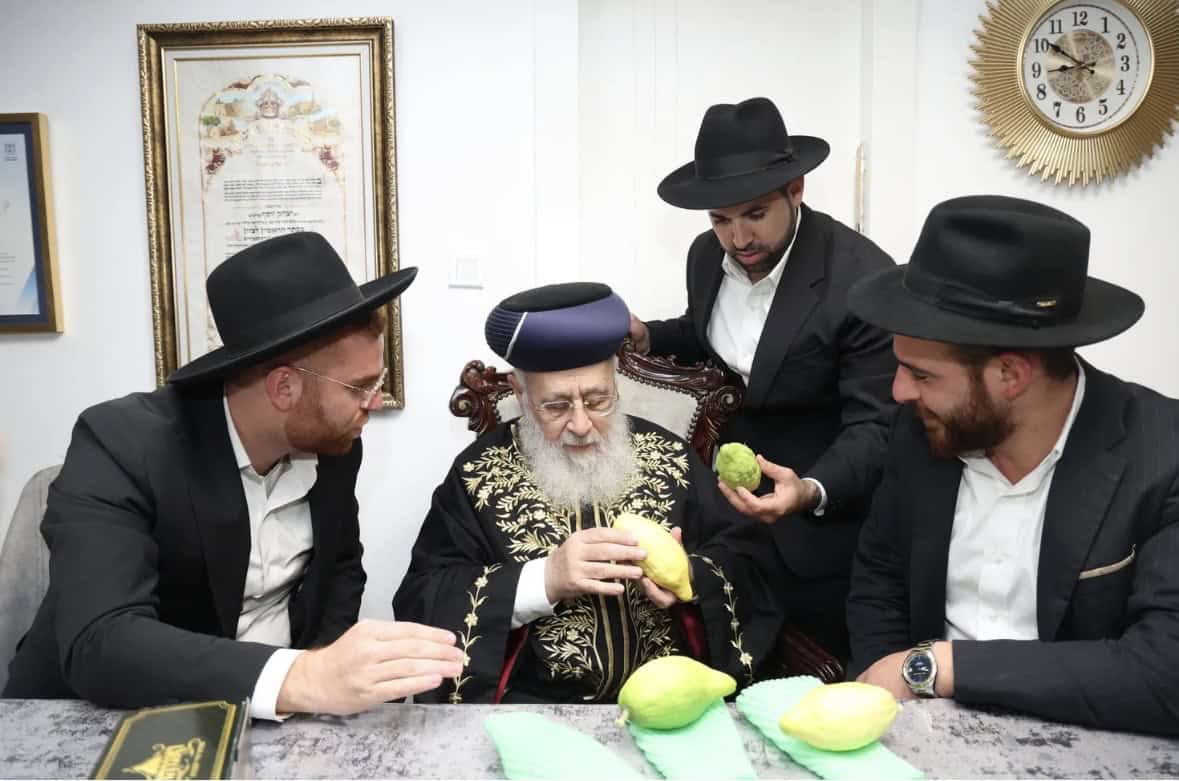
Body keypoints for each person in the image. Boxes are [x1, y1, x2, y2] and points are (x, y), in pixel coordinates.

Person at [5, 232, 465, 718]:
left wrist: (321, 679)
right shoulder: (122, 445)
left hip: (275, 721)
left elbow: (340, 569)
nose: (373, 403)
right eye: (359, 387)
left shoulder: (335, 444)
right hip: (93, 720)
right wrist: (302, 678)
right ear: (283, 388)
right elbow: (102, 643)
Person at [844, 195, 1179, 735]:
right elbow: (879, 582)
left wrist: (936, 667)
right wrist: (892, 722)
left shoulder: (1163, 454)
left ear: (1011, 375)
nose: (899, 391)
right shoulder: (921, 429)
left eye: (922, 375)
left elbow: (1165, 672)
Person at [394, 282, 782, 703]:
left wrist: (690, 575)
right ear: (520, 393)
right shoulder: (477, 475)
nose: (581, 425)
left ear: (616, 382)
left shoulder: (671, 456)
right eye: (556, 406)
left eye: (598, 400)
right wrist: (543, 580)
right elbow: (424, 597)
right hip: (533, 708)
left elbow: (749, 558)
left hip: (671, 701)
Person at [627, 96, 896, 660]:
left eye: (754, 215)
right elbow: (716, 334)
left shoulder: (862, 279)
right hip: (727, 520)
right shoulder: (706, 257)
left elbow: (877, 426)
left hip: (823, 534)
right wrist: (650, 336)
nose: (738, 238)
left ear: (795, 190)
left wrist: (810, 490)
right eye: (720, 220)